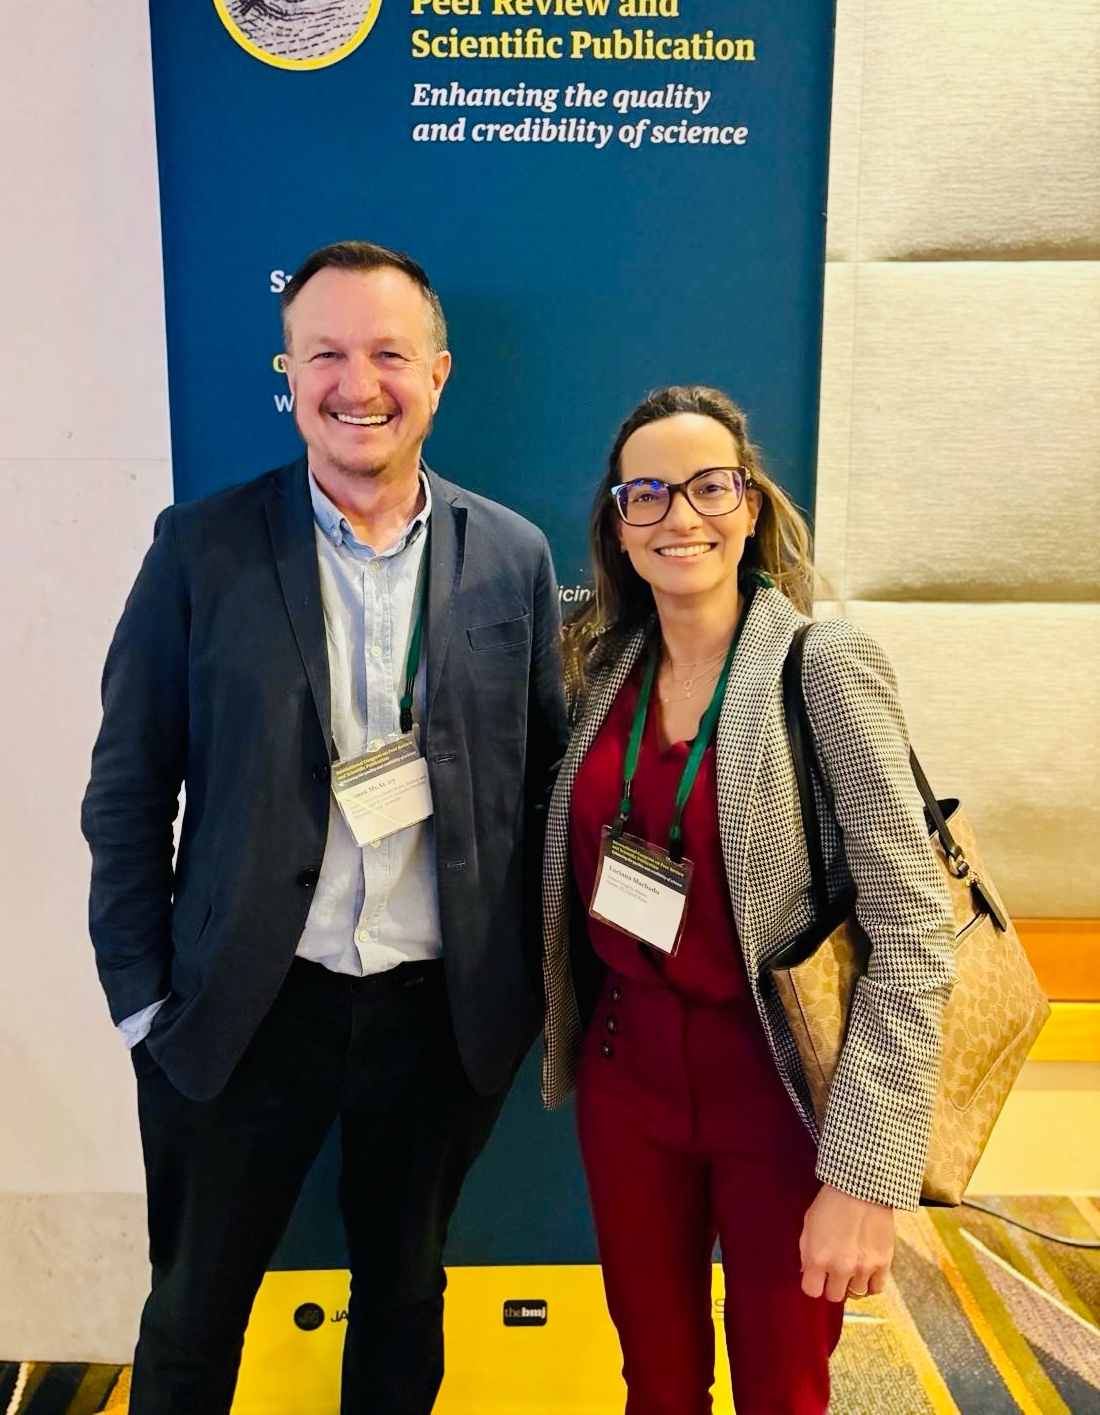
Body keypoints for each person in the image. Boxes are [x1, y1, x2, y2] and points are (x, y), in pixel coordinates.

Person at [82, 240, 568, 1415]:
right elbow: (129, 785)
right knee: (193, 1316)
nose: (359, 383)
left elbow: (546, 782)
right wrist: (143, 1000)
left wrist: (525, 990)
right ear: (289, 374)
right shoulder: (200, 547)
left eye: (389, 353)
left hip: (437, 1019)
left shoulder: (512, 555)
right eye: (326, 354)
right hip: (244, 1011)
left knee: (403, 1303)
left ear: (438, 373)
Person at [542, 385, 955, 1414]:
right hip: (626, 1076)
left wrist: (866, 1173)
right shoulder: (600, 668)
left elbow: (913, 929)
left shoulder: (823, 667)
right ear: (619, 526)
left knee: (782, 1387)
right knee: (657, 1382)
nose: (680, 516)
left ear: (751, 504)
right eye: (647, 494)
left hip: (779, 1089)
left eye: (709, 486)